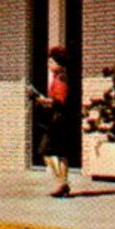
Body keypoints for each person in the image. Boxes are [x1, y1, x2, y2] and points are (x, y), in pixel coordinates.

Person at [29, 46, 76, 197]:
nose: (48, 65)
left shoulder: (61, 79)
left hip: (57, 120)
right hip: (61, 119)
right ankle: (63, 183)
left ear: (59, 63)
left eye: (51, 62)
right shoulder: (60, 77)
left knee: (45, 151)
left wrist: (40, 99)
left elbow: (58, 101)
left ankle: (61, 182)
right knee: (61, 153)